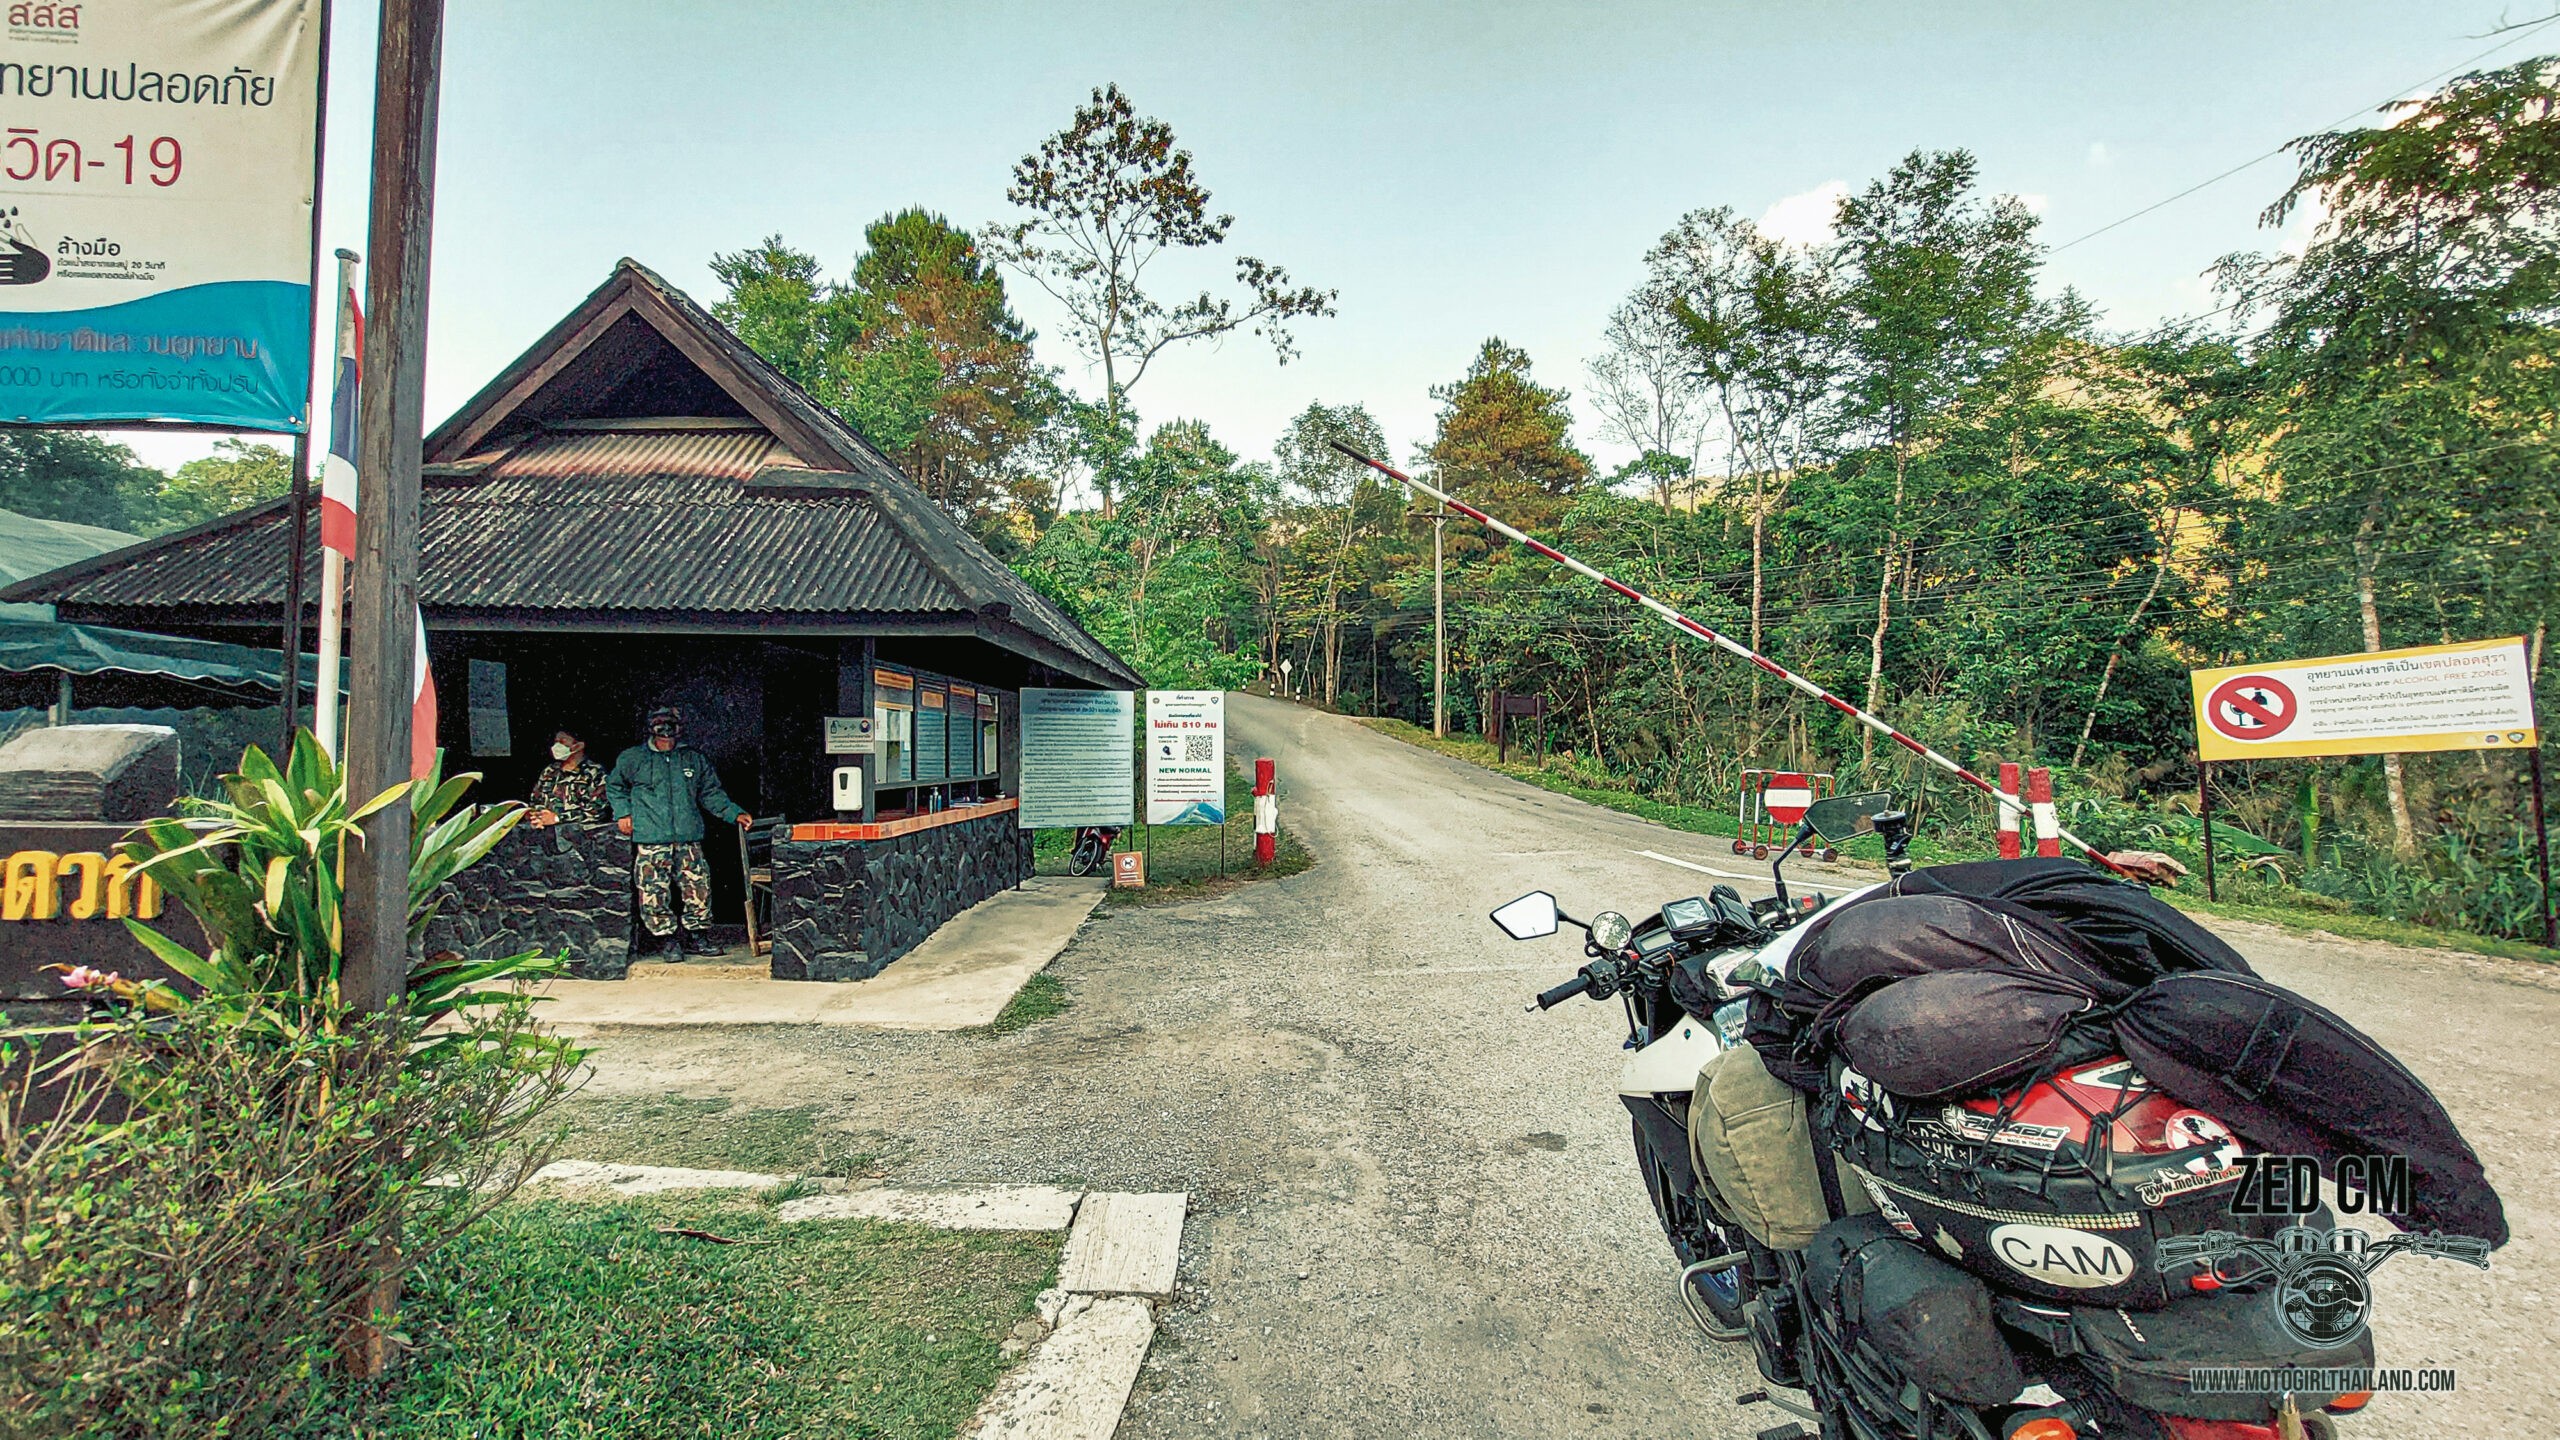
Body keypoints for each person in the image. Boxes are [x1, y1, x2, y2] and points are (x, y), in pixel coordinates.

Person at [607, 705, 751, 956]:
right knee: (652, 891)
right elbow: (615, 787)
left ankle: (697, 937)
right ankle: (666, 940)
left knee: (698, 887)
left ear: (679, 727)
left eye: (670, 723)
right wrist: (623, 813)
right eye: (659, 723)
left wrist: (733, 813)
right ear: (650, 727)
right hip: (651, 838)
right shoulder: (632, 758)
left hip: (688, 837)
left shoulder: (693, 759)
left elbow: (710, 793)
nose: (664, 728)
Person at [526, 729, 611, 828]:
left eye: (562, 742)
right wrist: (539, 815)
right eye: (555, 742)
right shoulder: (550, 771)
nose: (556, 746)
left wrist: (557, 818)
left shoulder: (595, 772)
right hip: (547, 834)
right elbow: (536, 800)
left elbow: (597, 812)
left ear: (579, 745)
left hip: (581, 837)